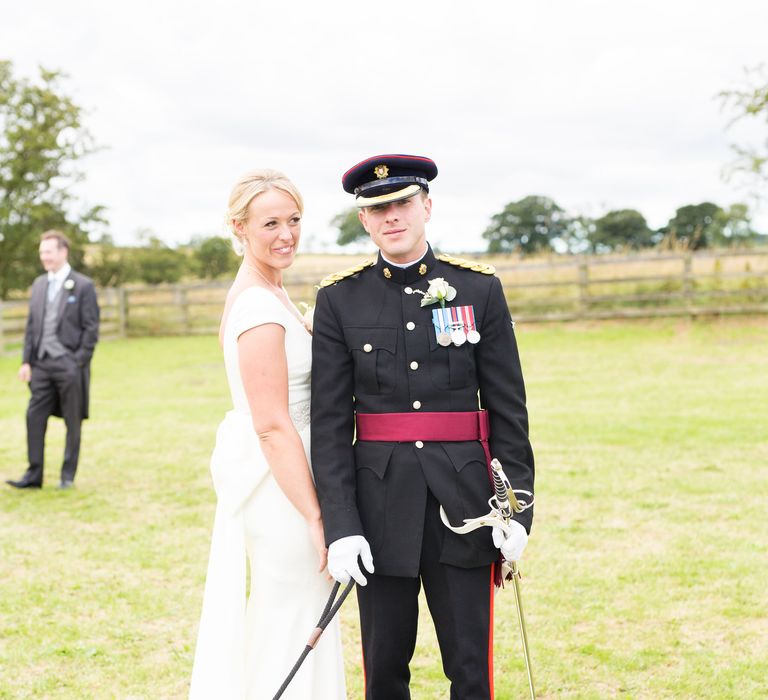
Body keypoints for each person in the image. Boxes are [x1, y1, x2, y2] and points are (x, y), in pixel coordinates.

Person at [310, 154, 535, 699]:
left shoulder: (478, 289)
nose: (392, 215)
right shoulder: (340, 299)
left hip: (467, 503)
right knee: (384, 668)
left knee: (470, 666)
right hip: (378, 507)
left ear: (427, 206)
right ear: (364, 221)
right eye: (377, 208)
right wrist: (342, 525)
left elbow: (508, 410)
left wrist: (518, 512)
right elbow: (331, 425)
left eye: (402, 202)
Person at [189, 170, 345, 699]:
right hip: (282, 483)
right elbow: (273, 425)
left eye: (294, 220)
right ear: (240, 227)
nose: (286, 234)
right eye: (271, 223)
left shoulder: (270, 290)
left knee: (299, 610)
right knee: (293, 613)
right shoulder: (258, 307)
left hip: (291, 472)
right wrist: (317, 514)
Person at [6, 230, 99, 491]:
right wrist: (27, 362)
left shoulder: (83, 286)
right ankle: (33, 475)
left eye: (48, 252)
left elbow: (91, 328)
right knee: (34, 416)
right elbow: (31, 326)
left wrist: (78, 361)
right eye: (41, 252)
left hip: (70, 365)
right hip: (41, 365)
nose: (44, 257)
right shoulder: (38, 285)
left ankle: (67, 476)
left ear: (62, 252)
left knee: (72, 420)